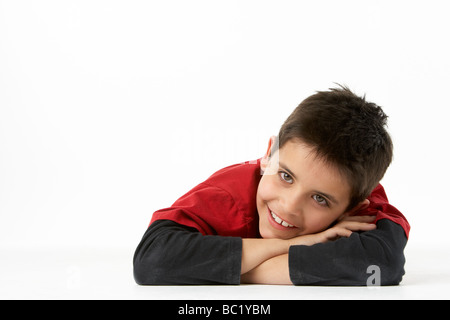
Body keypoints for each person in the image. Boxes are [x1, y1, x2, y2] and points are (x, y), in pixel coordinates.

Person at [133, 85, 410, 285]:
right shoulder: (227, 195)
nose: (289, 206)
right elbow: (152, 260)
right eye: (286, 176)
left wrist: (242, 270)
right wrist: (300, 244)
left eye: (319, 199)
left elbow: (385, 263)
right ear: (269, 155)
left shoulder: (357, 191)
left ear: (351, 209)